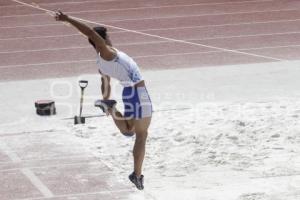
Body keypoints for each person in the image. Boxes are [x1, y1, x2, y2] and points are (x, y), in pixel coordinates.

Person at [55, 11, 152, 190]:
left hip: (128, 93)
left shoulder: (100, 62)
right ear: (102, 40)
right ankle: (136, 175)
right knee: (141, 135)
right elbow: (91, 34)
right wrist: (67, 20)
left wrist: (105, 99)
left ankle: (111, 107)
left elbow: (105, 82)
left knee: (129, 130)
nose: (110, 38)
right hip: (138, 93)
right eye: (107, 36)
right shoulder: (107, 52)